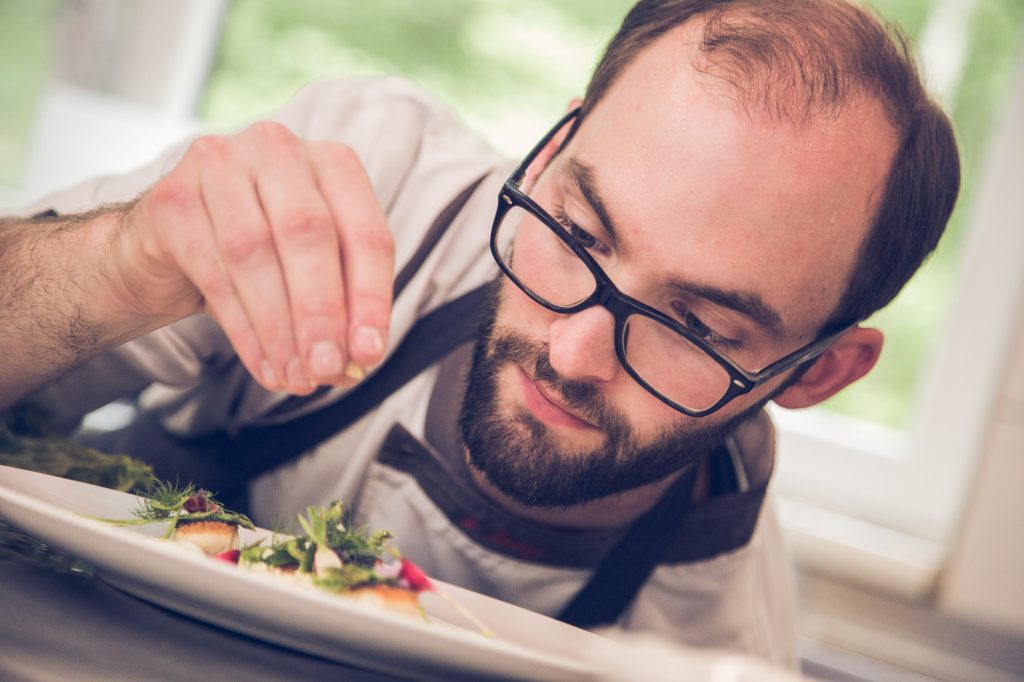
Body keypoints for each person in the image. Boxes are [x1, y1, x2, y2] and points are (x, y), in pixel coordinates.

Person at [0, 0, 958, 667]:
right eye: (577, 234)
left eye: (696, 326)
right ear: (549, 151)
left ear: (816, 373)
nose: (573, 356)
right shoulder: (375, 188)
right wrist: (116, 262)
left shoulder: (711, 645)